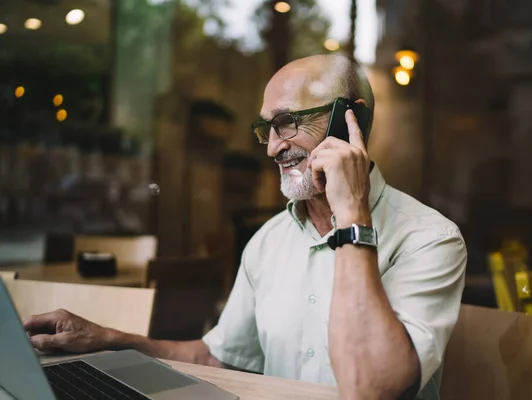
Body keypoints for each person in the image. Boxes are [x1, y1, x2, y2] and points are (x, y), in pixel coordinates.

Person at [23, 54, 467, 400]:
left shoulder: (431, 239)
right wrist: (107, 339)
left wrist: (351, 216)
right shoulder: (267, 241)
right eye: (266, 129)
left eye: (287, 123)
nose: (273, 148)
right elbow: (221, 358)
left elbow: (373, 390)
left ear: (350, 118)